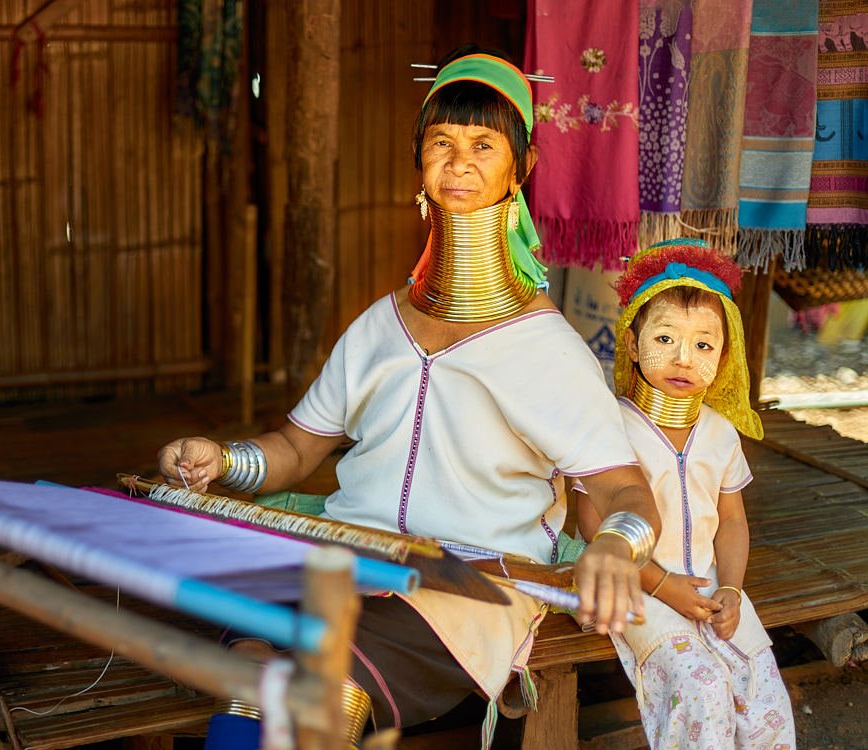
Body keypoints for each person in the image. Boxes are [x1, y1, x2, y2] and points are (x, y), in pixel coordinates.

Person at [159, 47, 661, 748]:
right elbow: (297, 450)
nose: (459, 162)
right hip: (341, 558)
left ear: (522, 169)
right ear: (418, 160)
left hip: (460, 591)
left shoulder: (545, 347)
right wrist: (221, 460)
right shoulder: (378, 328)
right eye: (441, 144)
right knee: (250, 661)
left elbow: (627, 493)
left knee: (319, 684)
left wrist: (613, 544)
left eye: (484, 145)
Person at [576, 238, 795, 749]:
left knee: (766, 699)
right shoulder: (612, 430)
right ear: (632, 344)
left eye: (703, 345)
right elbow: (592, 523)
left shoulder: (720, 434)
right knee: (703, 691)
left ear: (723, 358)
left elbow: (733, 521)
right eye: (666, 338)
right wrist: (661, 585)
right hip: (636, 589)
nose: (683, 358)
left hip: (715, 589)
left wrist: (734, 591)